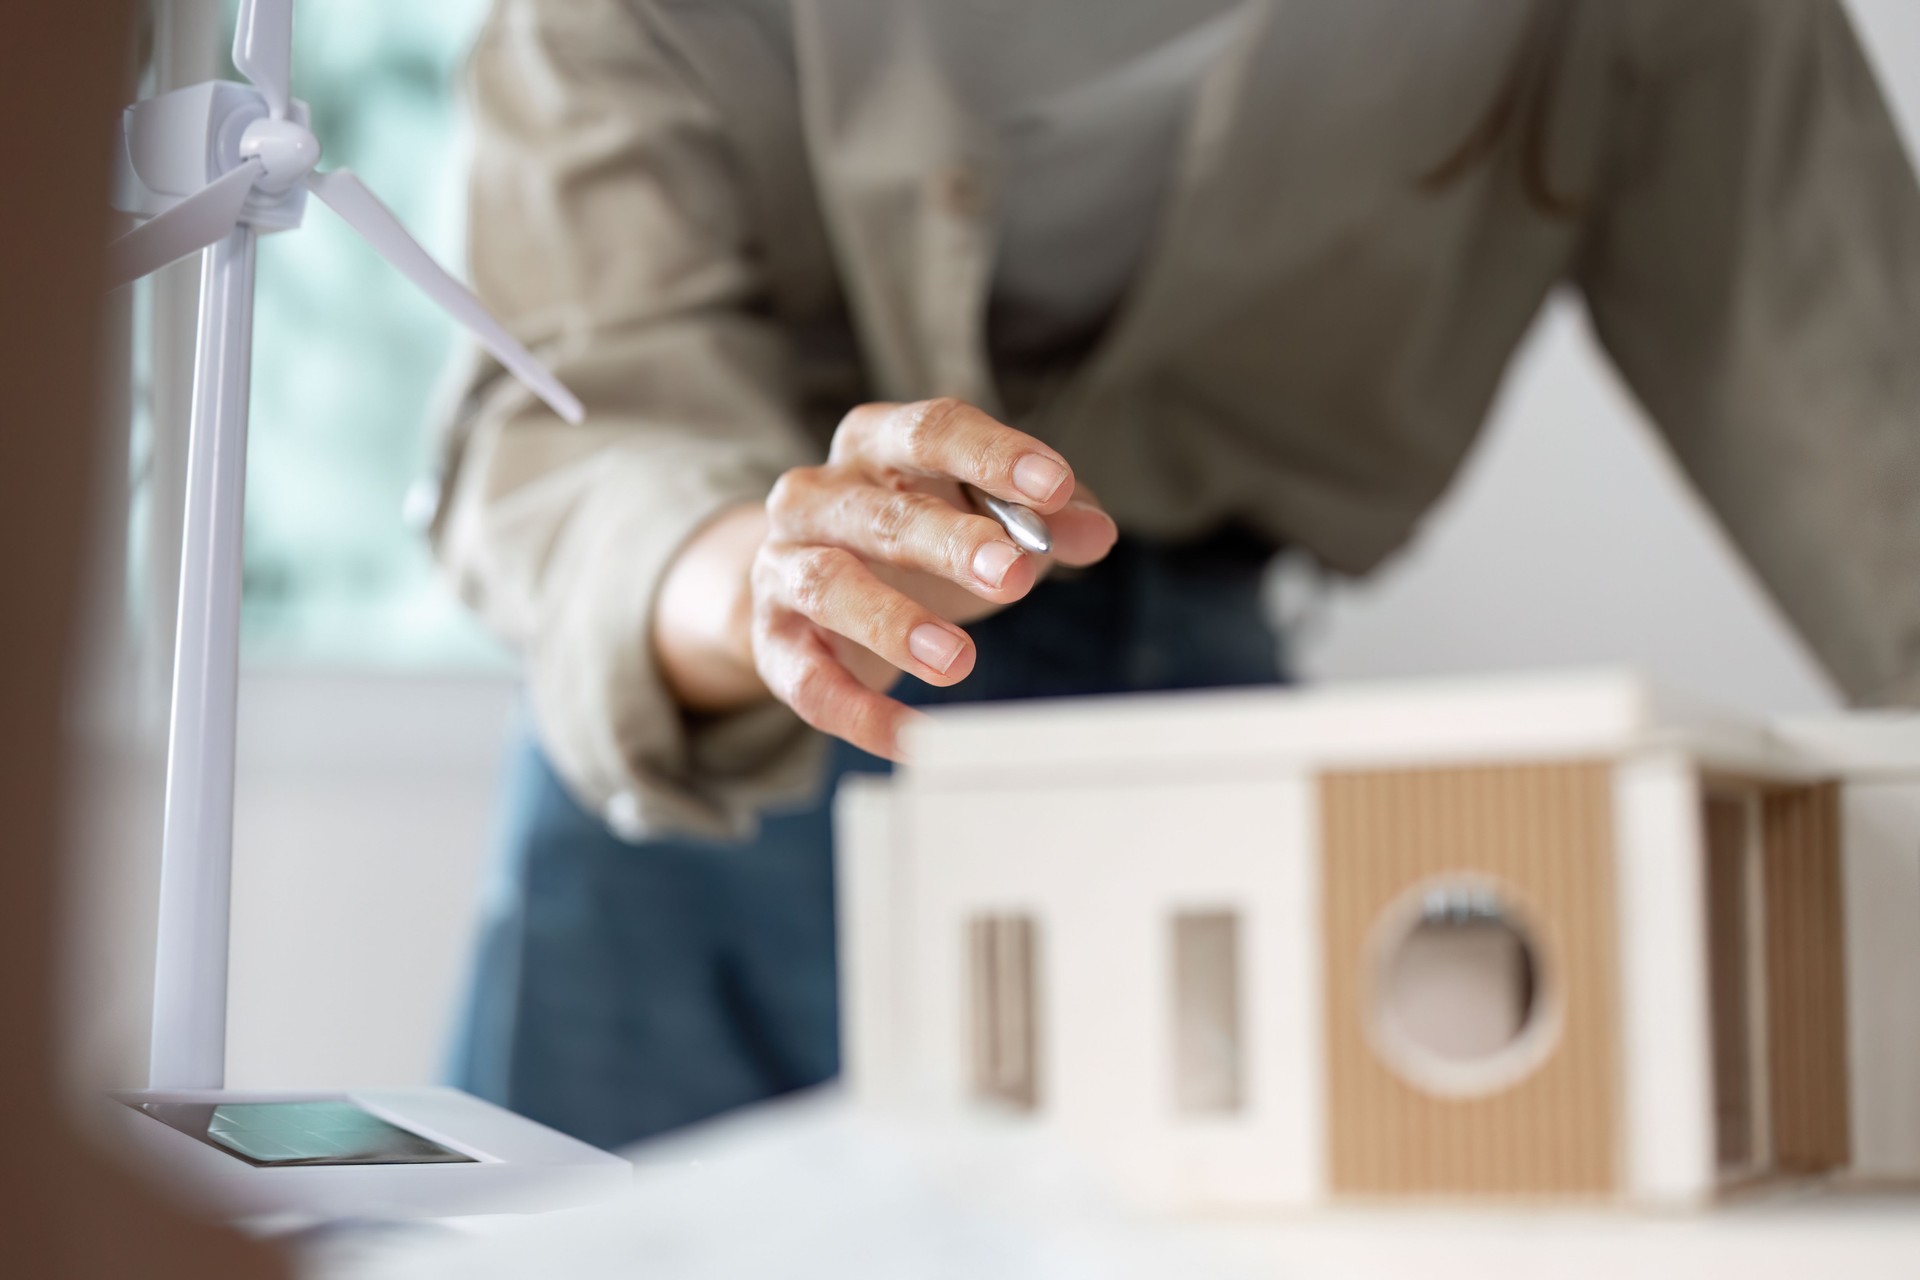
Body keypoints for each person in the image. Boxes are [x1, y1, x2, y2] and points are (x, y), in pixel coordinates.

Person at [432, 0, 1920, 1152]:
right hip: (716, 761)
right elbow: (572, 405)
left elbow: (1870, 422)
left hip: (1202, 741)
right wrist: (769, 580)